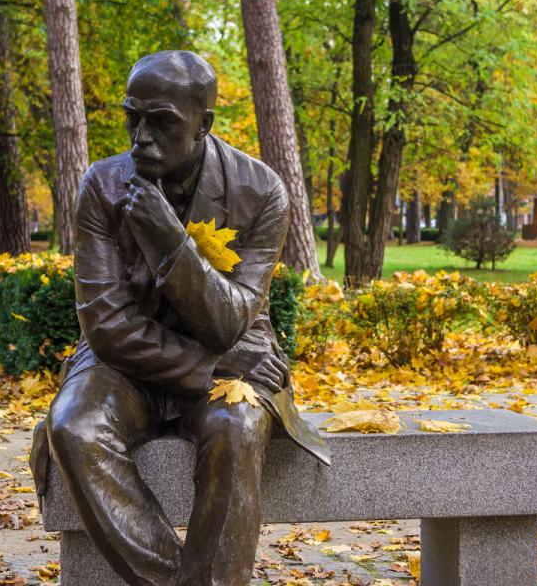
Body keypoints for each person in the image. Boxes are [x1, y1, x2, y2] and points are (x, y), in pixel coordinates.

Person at [28, 50, 330, 586]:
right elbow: (106, 324)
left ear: (203, 124)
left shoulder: (261, 192)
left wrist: (170, 242)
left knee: (237, 425)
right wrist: (211, 367)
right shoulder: (101, 185)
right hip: (129, 365)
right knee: (73, 425)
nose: (140, 135)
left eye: (161, 121)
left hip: (234, 355)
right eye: (132, 117)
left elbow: (228, 322)